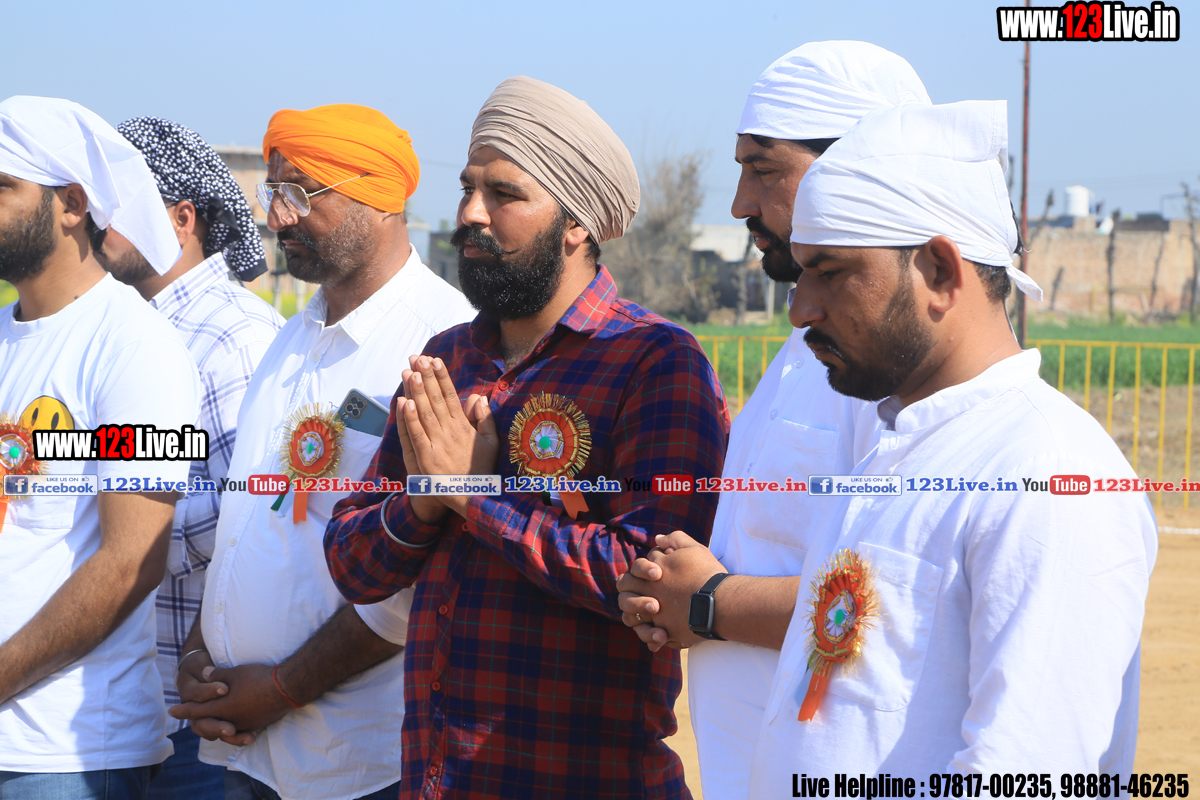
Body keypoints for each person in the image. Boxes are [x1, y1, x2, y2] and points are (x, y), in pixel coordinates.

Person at [632, 100, 1156, 785]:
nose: (801, 309)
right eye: (802, 271)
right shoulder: (896, 450)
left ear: (939, 271)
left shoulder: (1047, 473)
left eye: (831, 272)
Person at [324, 76, 729, 800]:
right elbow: (352, 562)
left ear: (576, 225)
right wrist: (426, 502)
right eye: (467, 188)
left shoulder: (654, 362)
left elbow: (653, 580)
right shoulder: (448, 358)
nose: (470, 214)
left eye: (504, 194)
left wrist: (473, 497)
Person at [618, 41, 931, 800]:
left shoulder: (896, 363)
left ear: (852, 168)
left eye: (763, 169)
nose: (739, 204)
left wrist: (710, 603)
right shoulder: (808, 344)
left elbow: (906, 601)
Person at [167, 104, 475, 800]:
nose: (278, 216)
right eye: (274, 192)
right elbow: (249, 520)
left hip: (359, 759)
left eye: (302, 194)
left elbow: (416, 578)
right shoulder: (290, 336)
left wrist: (282, 688)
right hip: (250, 749)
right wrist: (200, 650)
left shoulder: (442, 343)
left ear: (379, 197)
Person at [0, 95, 200, 798]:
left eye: (3, 187)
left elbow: (129, 562)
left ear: (72, 205)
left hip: (64, 756)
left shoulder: (136, 348)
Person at [94, 115, 285, 800]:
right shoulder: (124, 330)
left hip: (190, 708)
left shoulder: (232, 334)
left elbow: (250, 510)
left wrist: (108, 526)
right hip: (118, 696)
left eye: (119, 205)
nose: (101, 221)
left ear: (181, 220)